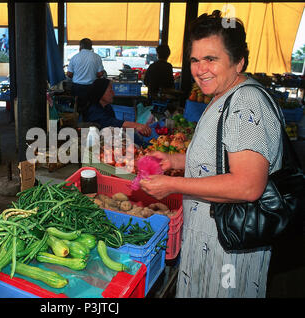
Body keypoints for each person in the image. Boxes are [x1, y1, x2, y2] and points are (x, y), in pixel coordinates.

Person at [139, 10, 284, 298]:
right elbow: (218, 160)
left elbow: (247, 185)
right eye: (195, 59)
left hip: (227, 246)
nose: (200, 68)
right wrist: (174, 161)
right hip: (212, 237)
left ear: (238, 61)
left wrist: (172, 184)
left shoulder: (246, 103)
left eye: (211, 59)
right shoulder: (224, 94)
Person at [83, 78, 151, 146]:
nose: (113, 93)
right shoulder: (93, 110)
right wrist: (135, 125)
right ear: (101, 92)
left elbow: (116, 126)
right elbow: (111, 122)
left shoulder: (107, 107)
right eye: (110, 90)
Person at [66, 38, 105, 115]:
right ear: (91, 47)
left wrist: (77, 75)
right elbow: (100, 74)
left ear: (80, 47)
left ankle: (78, 122)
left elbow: (69, 74)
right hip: (92, 88)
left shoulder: (74, 57)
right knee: (91, 109)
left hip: (77, 88)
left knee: (77, 109)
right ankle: (90, 122)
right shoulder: (97, 57)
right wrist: (92, 74)